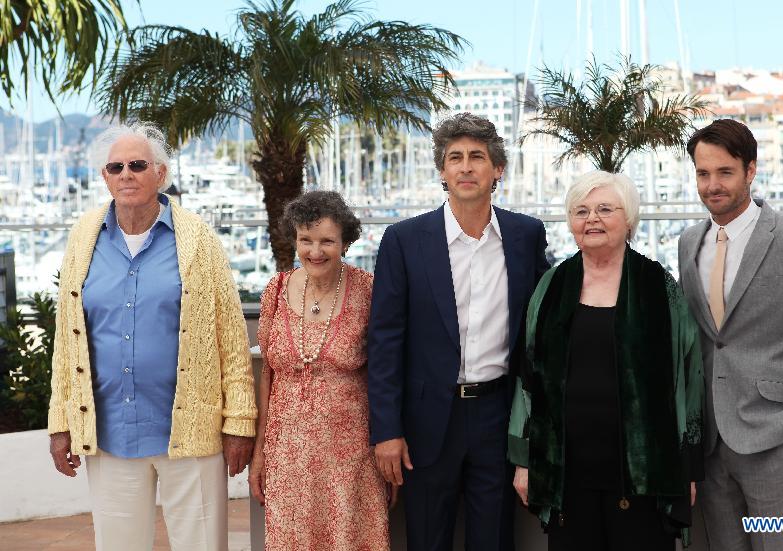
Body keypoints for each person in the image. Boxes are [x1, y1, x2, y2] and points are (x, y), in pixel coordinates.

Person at [47, 122, 257, 551]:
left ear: (160, 174)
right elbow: (67, 342)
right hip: (110, 435)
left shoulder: (197, 238)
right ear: (105, 177)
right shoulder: (83, 238)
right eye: (116, 167)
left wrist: (240, 422)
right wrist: (61, 423)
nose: (127, 174)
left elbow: (231, 337)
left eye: (138, 165)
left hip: (191, 432)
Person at [367, 112, 550, 550]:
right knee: (428, 540)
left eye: (477, 157)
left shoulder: (526, 235)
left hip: (498, 415)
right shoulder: (404, 240)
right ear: (443, 171)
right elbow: (385, 342)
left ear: (497, 169)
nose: (466, 167)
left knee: (494, 540)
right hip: (428, 422)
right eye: (455, 158)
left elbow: (541, 329)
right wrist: (386, 431)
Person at [508, 170, 705, 550]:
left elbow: (688, 379)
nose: (591, 219)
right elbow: (528, 377)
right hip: (565, 468)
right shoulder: (551, 286)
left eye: (604, 209)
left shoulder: (659, 287)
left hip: (643, 470)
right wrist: (523, 461)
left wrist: (688, 468)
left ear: (628, 218)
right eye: (580, 210)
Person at [678, 118, 783, 551]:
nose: (713, 184)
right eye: (703, 173)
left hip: (775, 437)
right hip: (712, 442)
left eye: (725, 172)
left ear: (750, 170)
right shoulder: (688, 242)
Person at [249, 191, 389, 550]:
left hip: (351, 458)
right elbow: (267, 375)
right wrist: (259, 452)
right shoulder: (275, 290)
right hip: (287, 458)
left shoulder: (368, 291)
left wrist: (386, 443)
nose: (315, 251)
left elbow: (385, 373)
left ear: (345, 242)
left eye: (327, 241)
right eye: (305, 240)